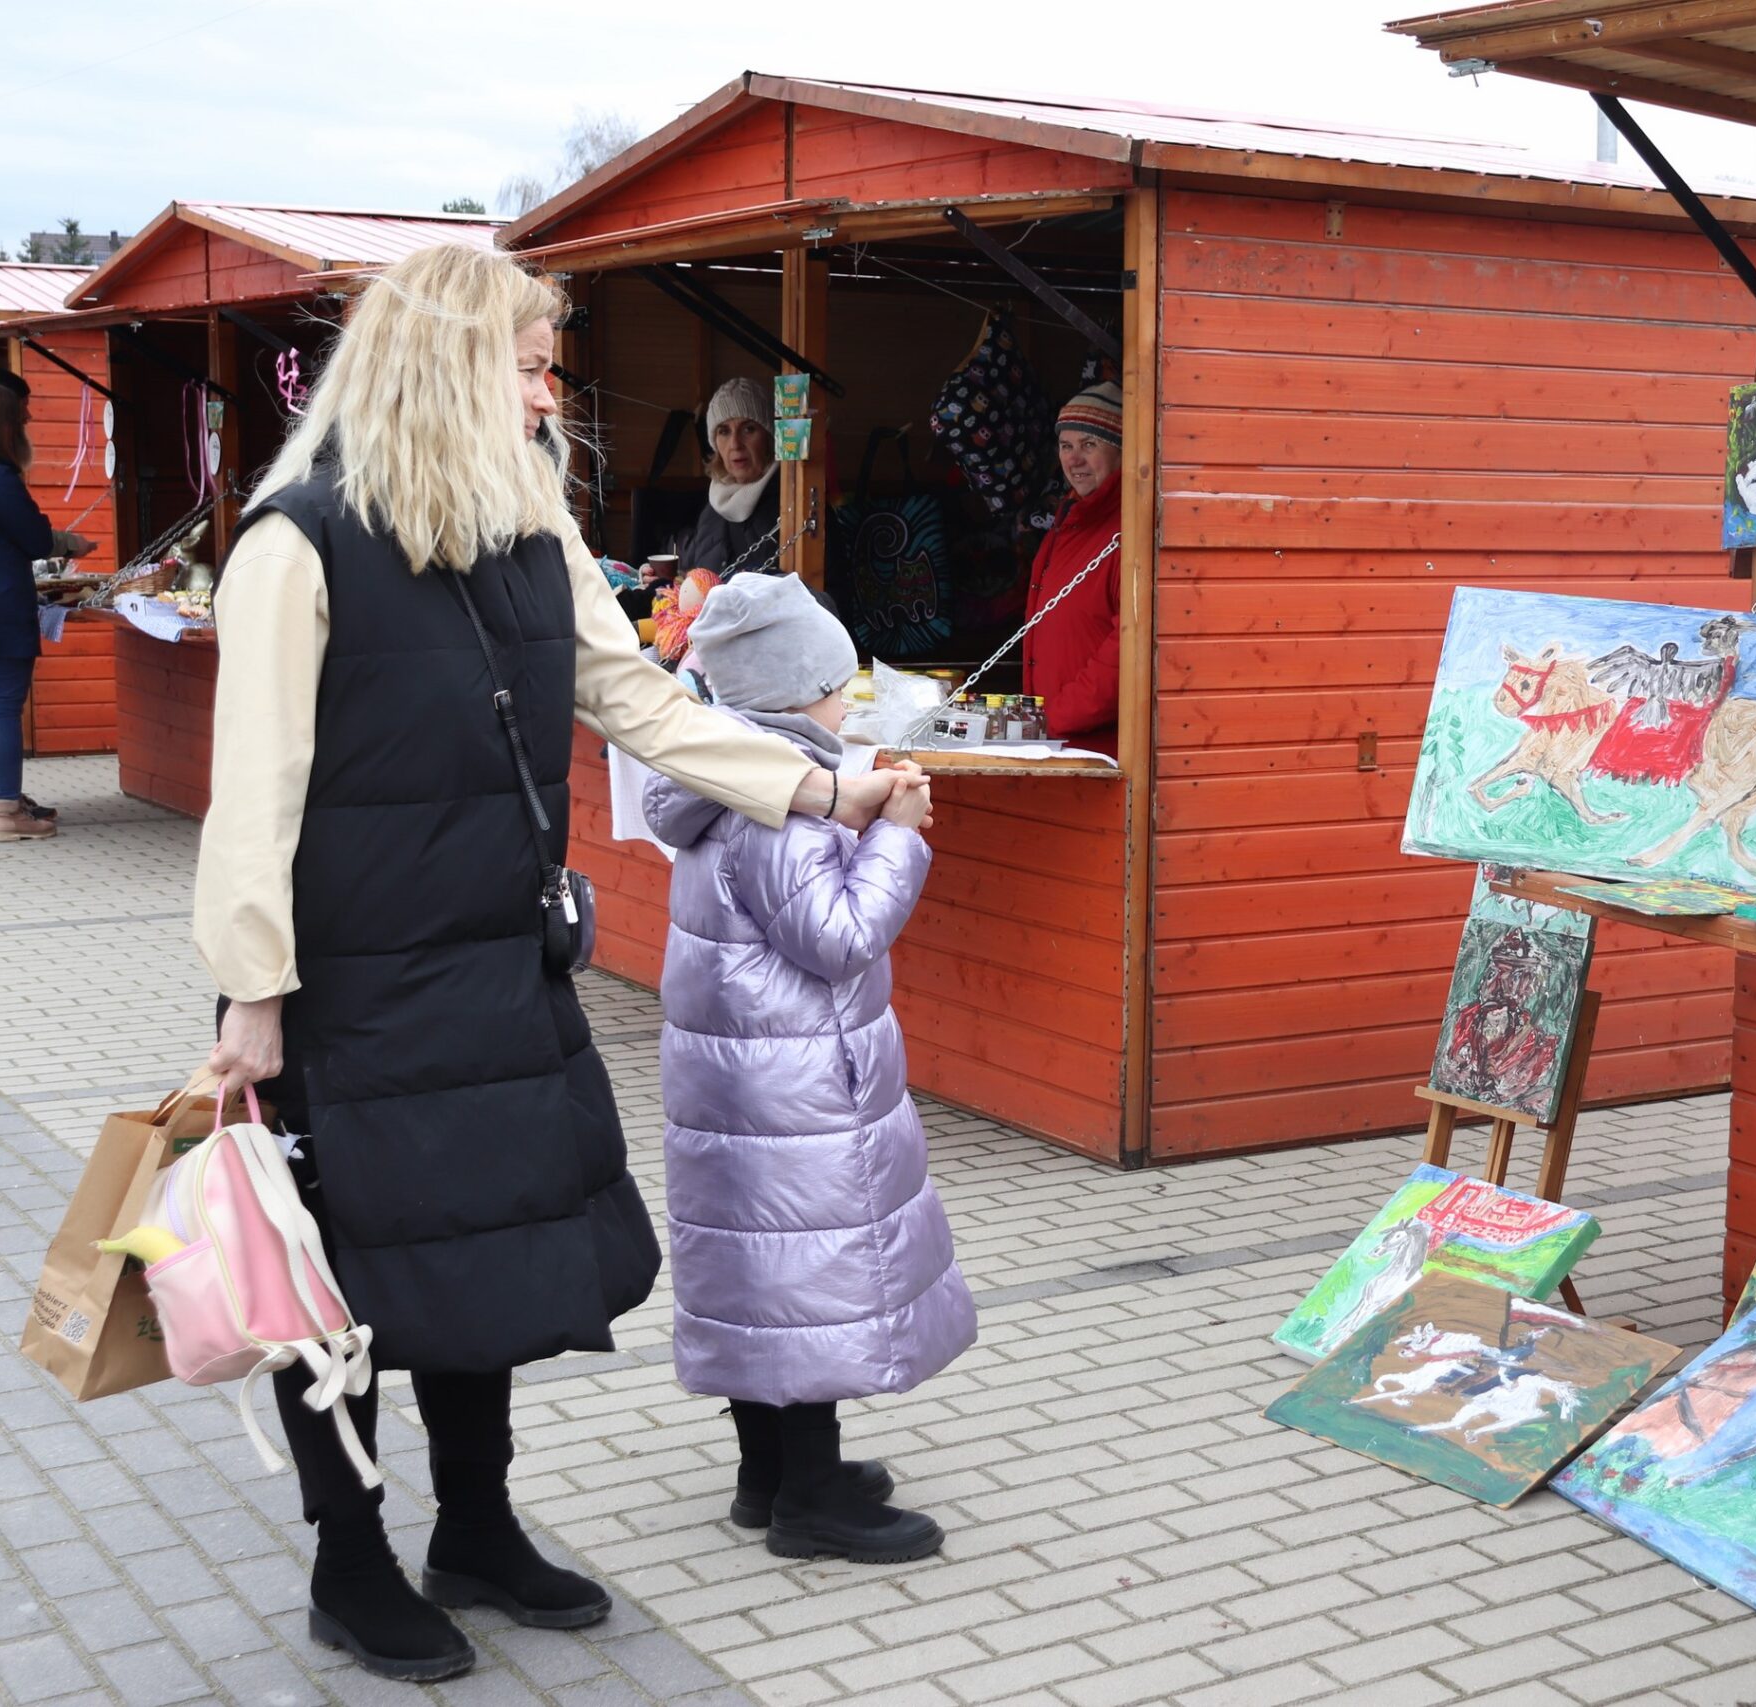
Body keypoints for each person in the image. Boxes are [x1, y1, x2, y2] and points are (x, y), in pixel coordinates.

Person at [193, 244, 922, 1684]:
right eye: (529, 368)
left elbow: (637, 698)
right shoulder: (297, 539)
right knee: (333, 1282)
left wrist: (818, 788)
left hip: (498, 962)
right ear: (447, 367)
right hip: (346, 988)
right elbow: (254, 789)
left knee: (489, 1257)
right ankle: (352, 1560)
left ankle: (476, 1529)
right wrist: (253, 993)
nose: (550, 396)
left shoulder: (530, 523)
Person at [642, 573, 973, 1564]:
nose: (846, 703)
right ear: (797, 694)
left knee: (759, 1274)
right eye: (837, 686)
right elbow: (838, 936)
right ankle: (813, 1499)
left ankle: (770, 1473)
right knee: (806, 1278)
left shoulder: (730, 773)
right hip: (792, 1088)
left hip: (739, 1080)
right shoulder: (777, 802)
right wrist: (897, 838)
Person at [0, 369, 95, 841]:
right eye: (22, 414)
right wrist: (70, 542)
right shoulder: (2, 479)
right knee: (4, 706)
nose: (30, 420)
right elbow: (36, 539)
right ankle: (5, 811)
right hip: (3, 612)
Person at [1022, 381, 1123, 749]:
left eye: (1089, 445)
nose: (1074, 459)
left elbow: (1127, 649)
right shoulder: (1071, 519)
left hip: (1096, 749)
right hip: (1056, 742)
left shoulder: (1128, 531)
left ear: (1122, 450)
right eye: (1066, 446)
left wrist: (1057, 719)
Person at [681, 375, 781, 573]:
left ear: (769, 438)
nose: (735, 444)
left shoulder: (795, 505)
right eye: (724, 431)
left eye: (748, 429)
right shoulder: (712, 510)